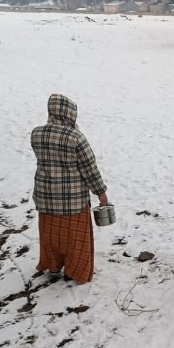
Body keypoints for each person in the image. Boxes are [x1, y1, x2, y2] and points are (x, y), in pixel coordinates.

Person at [31, 94, 109, 284]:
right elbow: (90, 169)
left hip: (45, 199)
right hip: (72, 201)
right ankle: (76, 270)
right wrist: (101, 194)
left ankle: (54, 267)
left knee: (51, 236)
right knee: (75, 239)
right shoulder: (76, 138)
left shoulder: (36, 133)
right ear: (69, 114)